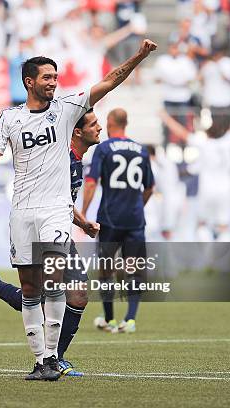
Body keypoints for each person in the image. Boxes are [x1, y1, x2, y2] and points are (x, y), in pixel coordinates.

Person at [0, 39, 157, 381]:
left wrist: (139, 57)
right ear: (29, 81)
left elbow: (111, 80)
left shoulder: (67, 109)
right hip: (22, 211)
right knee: (29, 289)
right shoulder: (10, 118)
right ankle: (41, 360)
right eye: (46, 77)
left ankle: (54, 357)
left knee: (56, 280)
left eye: (55, 77)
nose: (53, 82)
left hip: (56, 211)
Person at [0, 109, 102, 378]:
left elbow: (62, 202)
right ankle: (52, 357)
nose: (99, 128)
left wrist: (83, 223)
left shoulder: (76, 160)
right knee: (41, 296)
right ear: (77, 131)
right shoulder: (60, 157)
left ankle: (54, 358)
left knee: (73, 294)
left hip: (57, 228)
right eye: (94, 124)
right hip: (37, 226)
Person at [82, 108, 154, 334]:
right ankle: (130, 320)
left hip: (110, 218)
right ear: (127, 123)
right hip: (134, 219)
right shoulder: (141, 150)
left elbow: (92, 182)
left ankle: (110, 319)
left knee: (106, 269)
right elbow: (150, 187)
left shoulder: (103, 148)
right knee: (134, 269)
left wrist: (83, 215)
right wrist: (137, 207)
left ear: (110, 122)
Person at [159, 104, 230, 242]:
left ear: (209, 133)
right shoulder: (228, 142)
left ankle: (206, 258)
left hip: (207, 189)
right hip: (225, 189)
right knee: (223, 227)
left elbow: (182, 133)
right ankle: (224, 260)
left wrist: (165, 118)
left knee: (202, 224)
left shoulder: (204, 143)